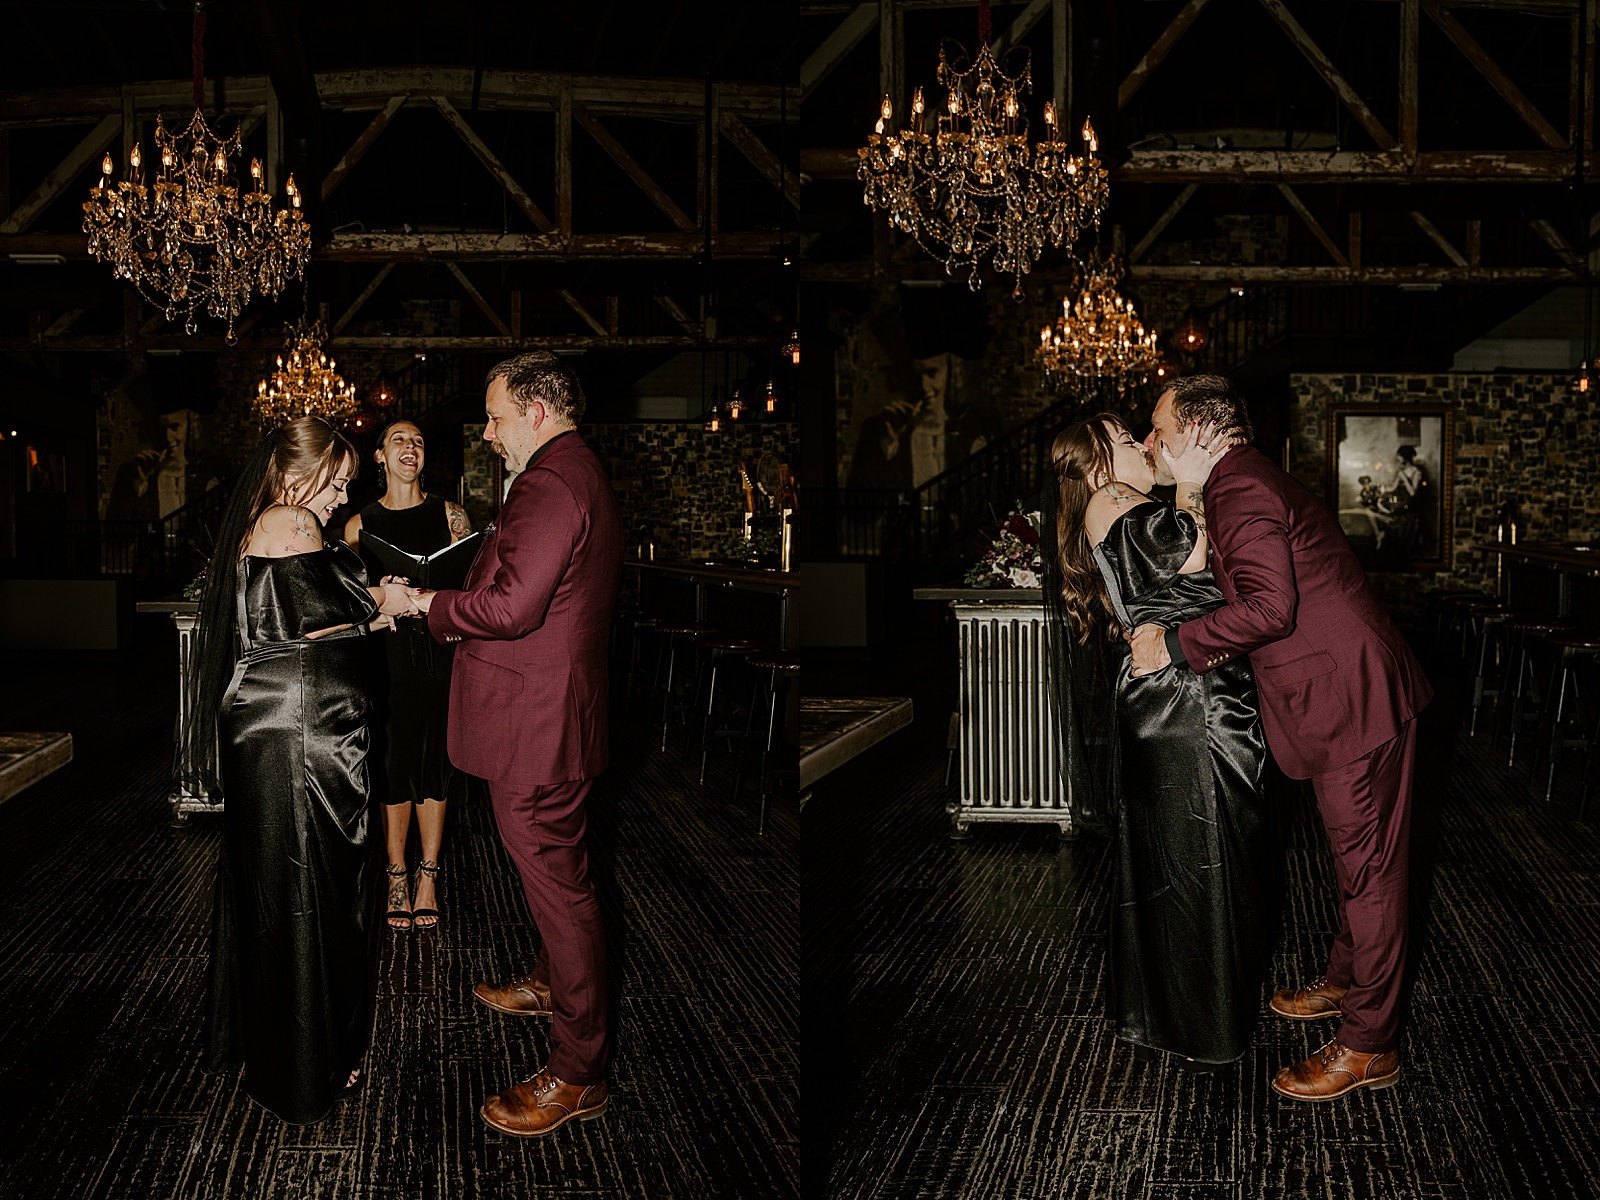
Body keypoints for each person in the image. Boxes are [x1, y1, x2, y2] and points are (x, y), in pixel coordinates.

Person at [1128, 374, 1432, 1103]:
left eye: (1158, 429)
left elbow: (1268, 608)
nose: (1149, 443)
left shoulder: (1240, 489)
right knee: (1359, 863)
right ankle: (1346, 981)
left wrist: (1172, 644)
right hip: (1351, 688)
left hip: (1352, 700)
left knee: (1372, 874)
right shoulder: (1240, 482)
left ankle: (1368, 1045)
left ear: (1202, 433)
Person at [409, 352, 623, 1138]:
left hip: (536, 723)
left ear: (536, 409)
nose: (489, 432)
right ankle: (551, 981)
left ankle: (578, 1071)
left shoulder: (548, 481)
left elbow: (510, 608)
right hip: (554, 712)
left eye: (497, 416)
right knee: (556, 874)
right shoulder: (577, 471)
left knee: (560, 887)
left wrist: (426, 601)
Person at [190, 416, 420, 1124]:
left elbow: (317, 623)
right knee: (308, 892)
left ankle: (294, 1050)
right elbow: (329, 613)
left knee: (296, 888)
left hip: (298, 732)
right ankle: (301, 1065)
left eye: (348, 487)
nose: (339, 500)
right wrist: (391, 599)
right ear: (297, 475)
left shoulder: (275, 524)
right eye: (337, 484)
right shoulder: (290, 518)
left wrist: (373, 610)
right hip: (297, 740)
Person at [1043, 412, 1272, 1070]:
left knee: (1188, 849)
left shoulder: (1117, 500)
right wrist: (1194, 483)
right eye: (1124, 441)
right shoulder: (1112, 497)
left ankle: (1181, 1010)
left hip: (1177, 689)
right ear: (1096, 466)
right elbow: (1193, 554)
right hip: (1184, 699)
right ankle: (1203, 1023)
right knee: (1200, 847)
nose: (1143, 447)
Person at [344, 420, 473, 932]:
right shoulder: (358, 526)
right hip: (385, 653)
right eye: (399, 439)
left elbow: (475, 582)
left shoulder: (452, 515)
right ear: (380, 456)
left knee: (435, 758)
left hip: (441, 651)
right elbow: (348, 598)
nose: (410, 447)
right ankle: (396, 873)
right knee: (394, 758)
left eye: (419, 440)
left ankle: (428, 875)